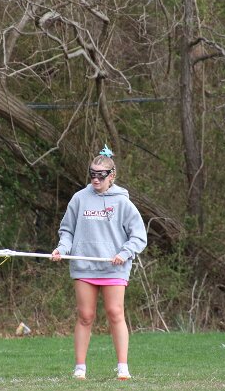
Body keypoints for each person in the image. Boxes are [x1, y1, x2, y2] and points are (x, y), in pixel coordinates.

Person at [51, 145, 147, 381]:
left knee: (115, 313)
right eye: (92, 174)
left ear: (111, 176)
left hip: (114, 267)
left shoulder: (123, 203)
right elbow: (67, 231)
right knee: (85, 315)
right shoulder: (79, 199)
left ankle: (122, 367)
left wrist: (125, 253)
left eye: (101, 175)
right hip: (84, 266)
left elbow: (138, 236)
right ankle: (80, 368)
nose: (96, 179)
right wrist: (62, 249)